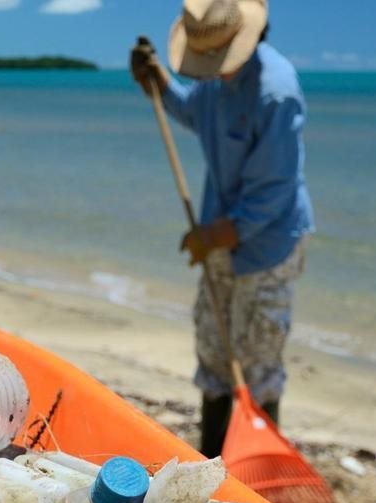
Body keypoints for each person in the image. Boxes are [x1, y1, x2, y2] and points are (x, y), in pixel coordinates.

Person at [130, 0, 314, 458]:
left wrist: (211, 237)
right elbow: (194, 112)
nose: (209, 71)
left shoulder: (275, 92)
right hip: (218, 235)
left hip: (267, 246)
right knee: (214, 350)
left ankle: (260, 464)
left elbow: (273, 193)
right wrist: (157, 84)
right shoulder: (213, 84)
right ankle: (213, 457)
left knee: (257, 358)